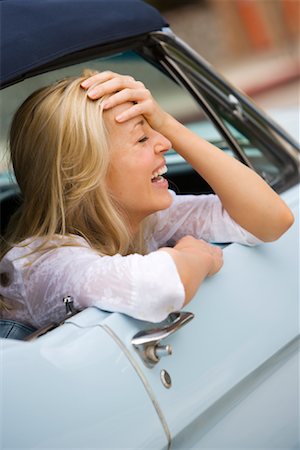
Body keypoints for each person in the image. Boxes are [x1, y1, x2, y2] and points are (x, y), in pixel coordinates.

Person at [0, 70, 294, 333]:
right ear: (83, 173)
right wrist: (195, 254)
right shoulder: (43, 262)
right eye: (142, 139)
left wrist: (166, 122)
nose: (164, 143)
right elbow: (157, 288)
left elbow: (271, 220)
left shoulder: (145, 220)